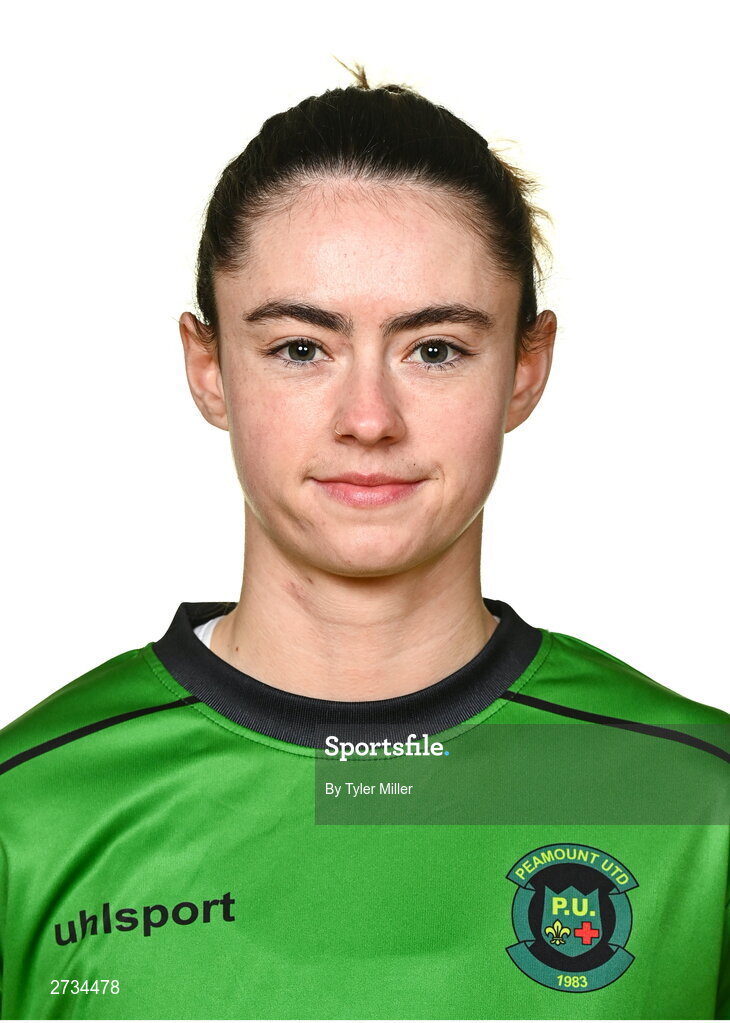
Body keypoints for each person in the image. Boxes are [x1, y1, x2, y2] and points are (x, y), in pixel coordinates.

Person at [0, 61, 728, 1021]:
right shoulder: (32, 813)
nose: (370, 418)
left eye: (435, 348)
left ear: (525, 367)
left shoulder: (699, 806)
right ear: (209, 367)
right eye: (302, 347)